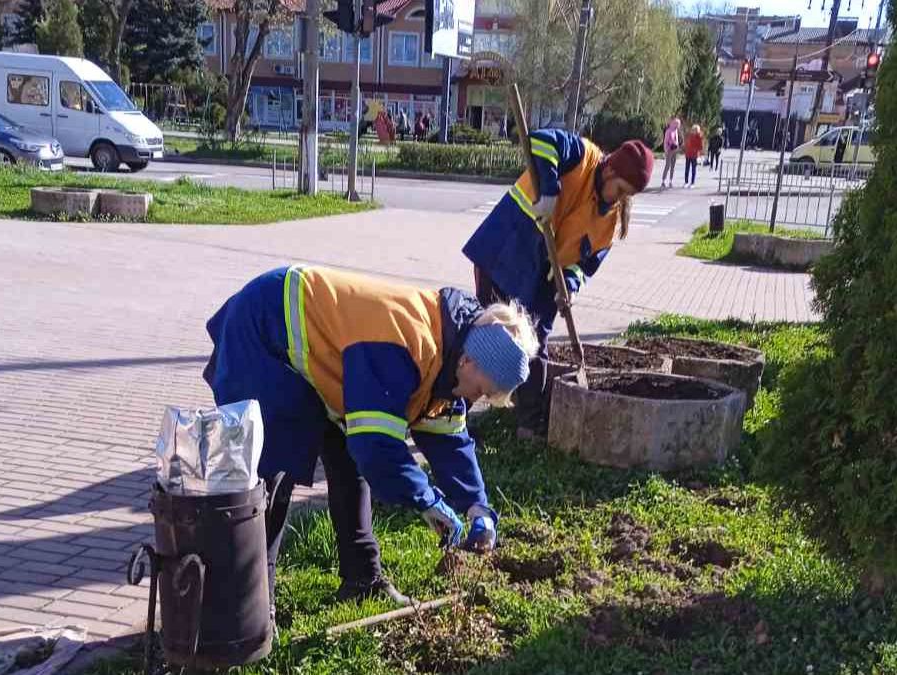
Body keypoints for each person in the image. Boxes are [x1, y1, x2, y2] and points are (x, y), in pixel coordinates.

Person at [202, 265, 539, 609]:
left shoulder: (452, 351)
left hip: (323, 355)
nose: (475, 400)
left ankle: (362, 578)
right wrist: (428, 502)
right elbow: (377, 449)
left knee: (347, 462)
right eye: (481, 390)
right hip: (266, 331)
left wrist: (477, 506)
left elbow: (448, 436)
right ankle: (251, 609)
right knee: (272, 473)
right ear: (468, 362)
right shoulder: (407, 344)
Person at [462, 131, 654, 438]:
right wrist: (549, 191)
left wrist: (570, 282)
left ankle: (529, 424)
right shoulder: (581, 154)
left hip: (546, 276)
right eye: (619, 190)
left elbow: (589, 261)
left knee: (536, 344)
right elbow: (540, 141)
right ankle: (455, 413)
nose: (618, 199)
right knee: (486, 337)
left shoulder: (610, 219)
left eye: (625, 195)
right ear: (610, 170)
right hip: (508, 248)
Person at [660, 116, 682, 188]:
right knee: (668, 165)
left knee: (673, 166)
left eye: (678, 124)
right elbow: (665, 141)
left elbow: (677, 141)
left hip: (674, 150)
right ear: (673, 123)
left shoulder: (676, 131)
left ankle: (670, 181)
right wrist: (666, 150)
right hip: (669, 150)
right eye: (677, 124)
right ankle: (663, 181)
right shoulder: (668, 131)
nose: (678, 126)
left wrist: (677, 147)